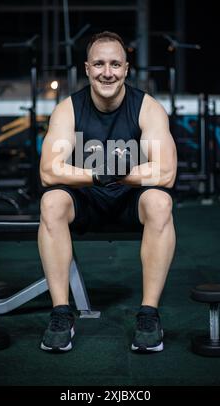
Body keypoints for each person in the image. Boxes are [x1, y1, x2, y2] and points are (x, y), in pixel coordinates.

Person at [38, 31, 177, 353]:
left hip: (131, 200)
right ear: (87, 68)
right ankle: (61, 313)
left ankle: (149, 314)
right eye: (99, 64)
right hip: (86, 200)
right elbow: (48, 171)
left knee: (159, 201)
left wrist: (120, 176)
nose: (107, 72)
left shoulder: (148, 108)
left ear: (127, 69)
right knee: (52, 201)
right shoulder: (68, 110)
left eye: (115, 64)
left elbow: (166, 172)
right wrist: (100, 175)